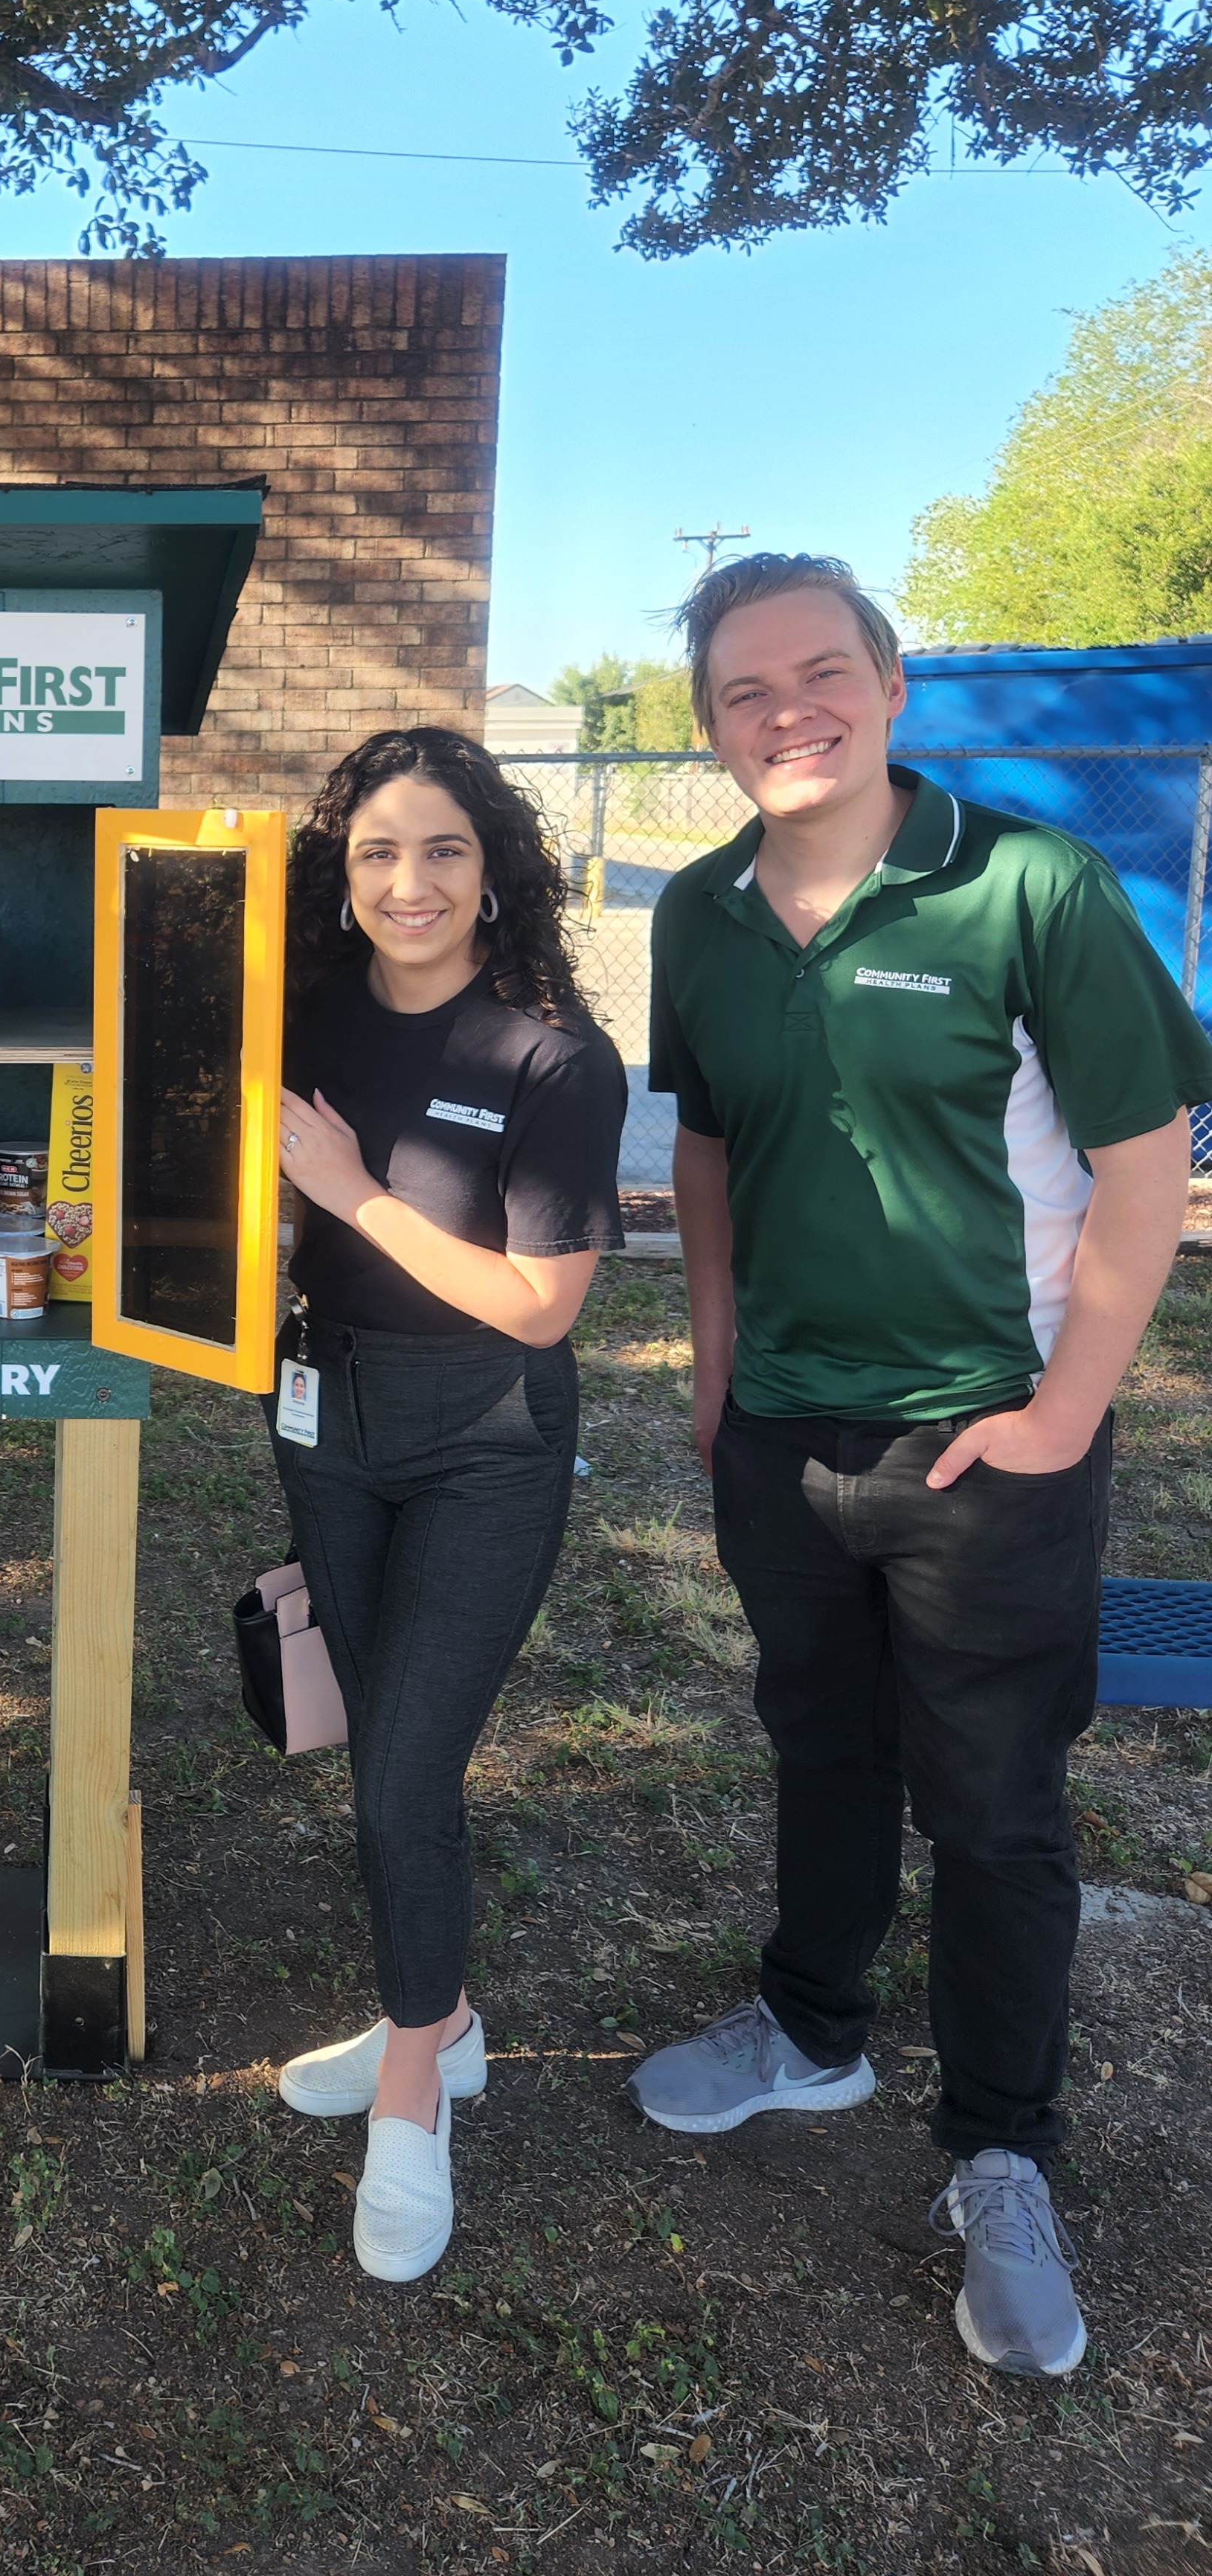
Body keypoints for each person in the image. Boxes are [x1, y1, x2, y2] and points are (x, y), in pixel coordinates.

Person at [632, 552, 1212, 2381]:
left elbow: (1145, 1162)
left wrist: (1058, 1413)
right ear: (712, 726)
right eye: (744, 688)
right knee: (819, 1737)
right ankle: (813, 2022)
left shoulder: (1025, 882)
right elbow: (707, 1155)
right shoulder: (700, 915)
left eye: (823, 671)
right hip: (784, 1436)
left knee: (996, 1803)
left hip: (986, 1440)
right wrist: (719, 1370)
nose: (786, 708)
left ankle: (1004, 2144)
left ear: (891, 686)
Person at [266, 725, 626, 2283]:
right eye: (376, 853)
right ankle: (450, 2016)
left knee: (405, 1770)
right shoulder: (302, 1010)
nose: (408, 884)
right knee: (376, 1745)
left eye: (444, 849)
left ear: (496, 869)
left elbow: (542, 1304)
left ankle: (416, 2081)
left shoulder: (551, 1053)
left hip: (485, 1430)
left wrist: (351, 1193)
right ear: (339, 879)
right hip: (322, 1414)